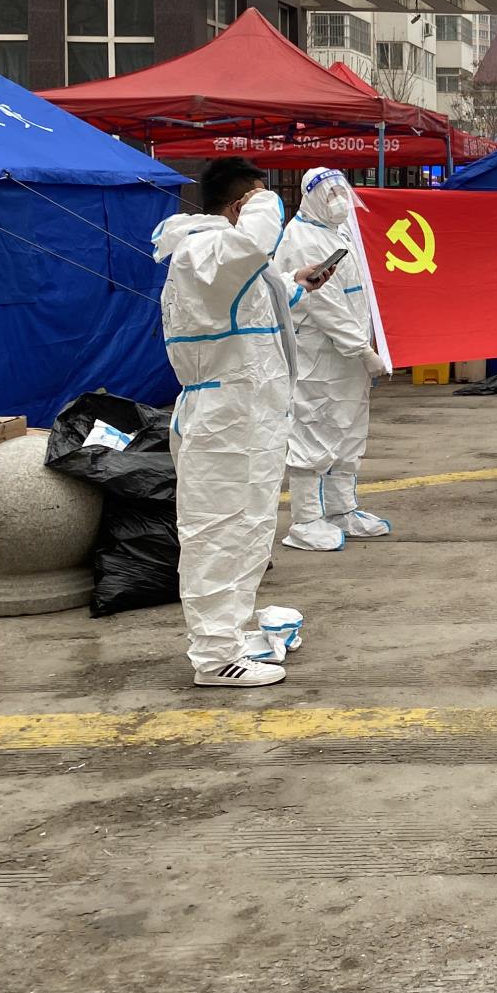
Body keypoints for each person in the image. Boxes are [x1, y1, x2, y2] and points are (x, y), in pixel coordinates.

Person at [153, 158, 333, 688]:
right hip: (224, 421)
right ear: (239, 206)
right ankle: (214, 657)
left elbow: (255, 298)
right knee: (216, 533)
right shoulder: (203, 249)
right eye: (257, 199)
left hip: (248, 419)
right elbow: (249, 251)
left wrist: (298, 283)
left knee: (248, 531)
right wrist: (264, 200)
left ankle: (227, 634)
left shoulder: (221, 254)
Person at [275, 167, 391, 551]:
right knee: (314, 430)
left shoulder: (338, 231)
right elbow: (325, 305)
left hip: (348, 357)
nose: (339, 201)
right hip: (320, 355)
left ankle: (342, 509)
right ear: (311, 198)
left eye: (342, 192)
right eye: (330, 195)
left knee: (348, 432)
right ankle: (306, 520)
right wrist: (362, 349)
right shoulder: (303, 238)